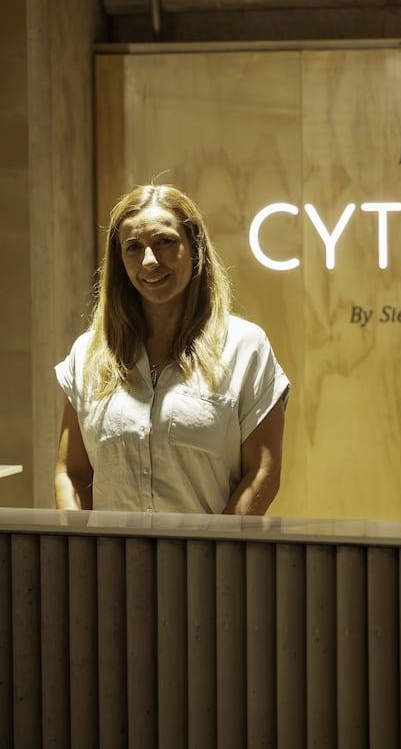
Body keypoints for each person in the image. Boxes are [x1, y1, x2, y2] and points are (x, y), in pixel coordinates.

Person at [54, 184, 289, 514]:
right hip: (109, 549)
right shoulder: (88, 354)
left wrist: (217, 544)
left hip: (210, 549)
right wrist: (77, 543)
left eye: (165, 241)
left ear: (195, 247)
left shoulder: (245, 347)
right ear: (120, 260)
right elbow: (72, 474)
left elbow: (262, 472)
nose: (149, 261)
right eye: (133, 247)